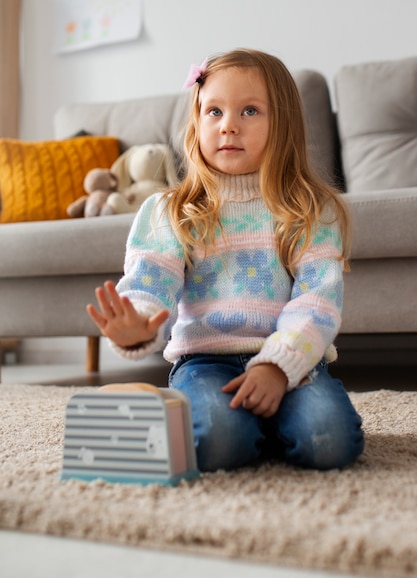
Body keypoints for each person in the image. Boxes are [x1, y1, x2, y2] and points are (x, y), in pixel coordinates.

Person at [87, 48, 365, 472]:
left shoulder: (312, 210)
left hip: (290, 356)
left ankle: (266, 416)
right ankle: (247, 424)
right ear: (197, 123)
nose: (228, 125)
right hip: (204, 360)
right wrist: (136, 324)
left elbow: (318, 301)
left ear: (284, 125)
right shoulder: (169, 210)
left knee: (328, 442)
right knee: (220, 443)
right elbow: (150, 283)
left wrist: (276, 367)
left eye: (249, 110)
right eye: (213, 111)